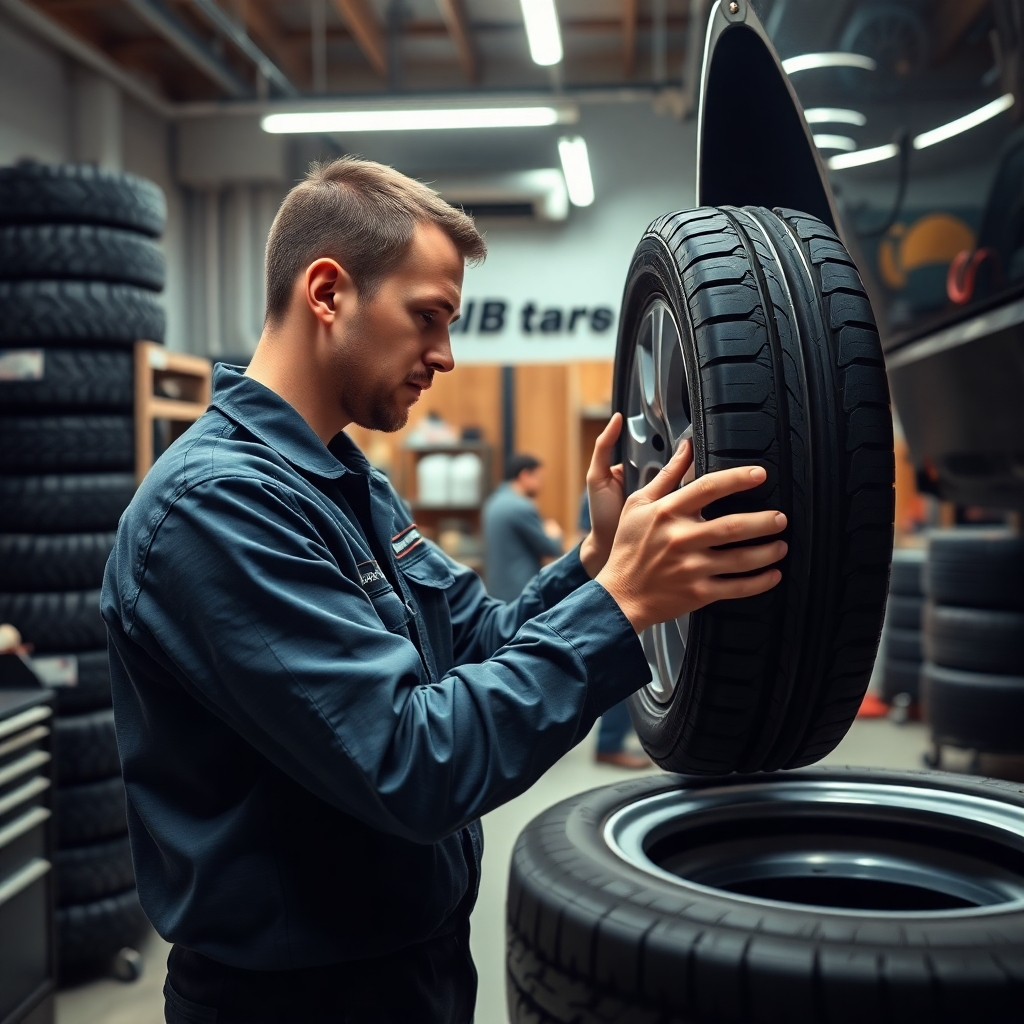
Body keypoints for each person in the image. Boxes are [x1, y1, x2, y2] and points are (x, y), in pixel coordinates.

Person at [101, 156, 788, 1024]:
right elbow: (412, 764)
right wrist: (620, 608)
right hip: (298, 1002)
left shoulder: (347, 484)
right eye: (428, 317)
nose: (448, 356)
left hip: (409, 967)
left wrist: (592, 562)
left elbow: (477, 642)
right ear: (327, 292)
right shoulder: (216, 509)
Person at [482, 453, 563, 601]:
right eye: (538, 479)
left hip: (496, 591)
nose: (541, 485)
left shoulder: (492, 502)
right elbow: (550, 548)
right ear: (525, 475)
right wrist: (555, 534)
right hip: (520, 592)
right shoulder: (521, 506)